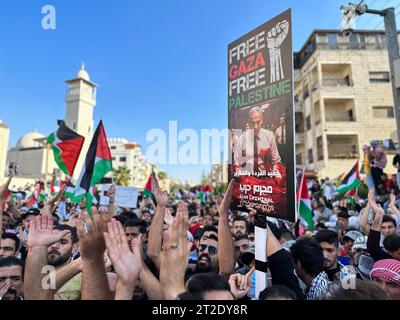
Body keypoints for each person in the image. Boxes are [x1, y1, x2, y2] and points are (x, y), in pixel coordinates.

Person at [233, 106, 282, 175]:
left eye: (258, 122)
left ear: (262, 120)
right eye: (253, 123)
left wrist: (276, 173)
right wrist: (240, 174)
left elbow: (276, 161)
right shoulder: (242, 138)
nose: (256, 127)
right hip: (247, 177)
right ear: (249, 122)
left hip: (266, 178)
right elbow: (236, 161)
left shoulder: (270, 136)